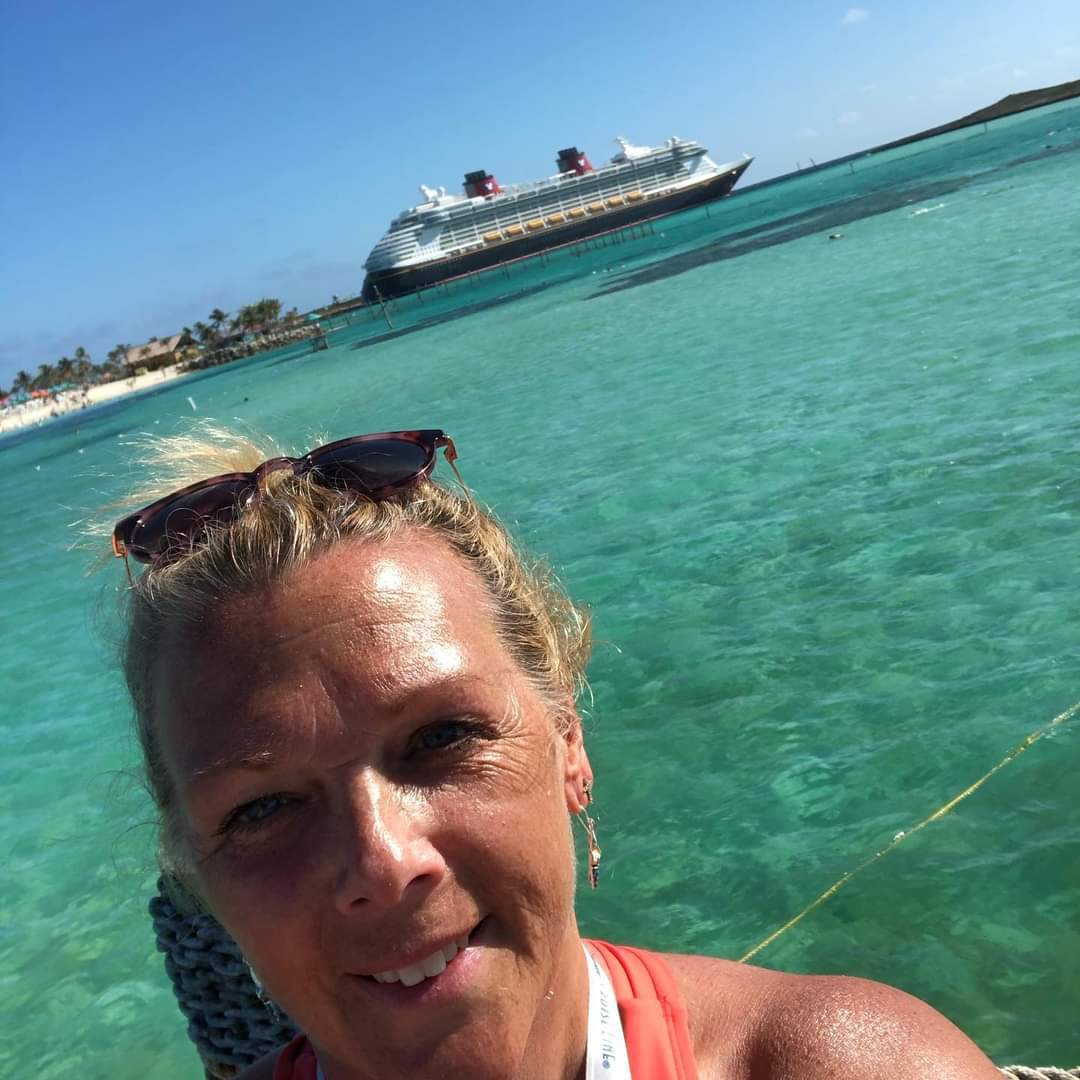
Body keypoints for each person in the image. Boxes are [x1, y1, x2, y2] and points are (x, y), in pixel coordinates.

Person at [110, 426, 1002, 1080]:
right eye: (261, 808)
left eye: (440, 738)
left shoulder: (836, 1064)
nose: (382, 864)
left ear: (568, 743)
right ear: (195, 872)